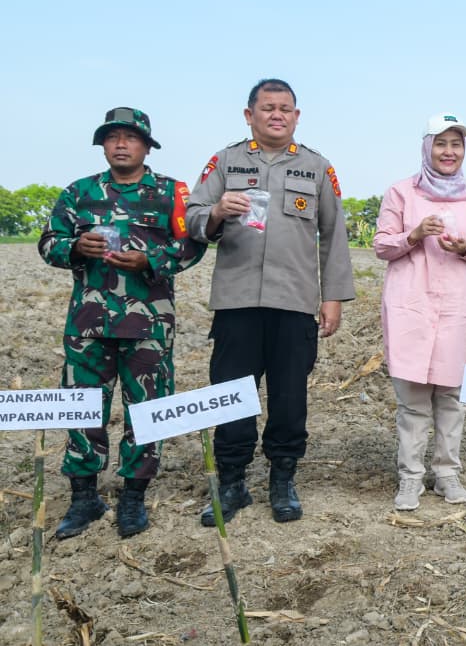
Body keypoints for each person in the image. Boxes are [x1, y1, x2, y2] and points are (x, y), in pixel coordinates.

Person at [186, 78, 354, 525]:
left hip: (294, 302)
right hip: (237, 301)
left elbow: (334, 235)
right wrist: (217, 211)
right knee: (232, 394)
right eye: (267, 108)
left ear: (296, 116)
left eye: (285, 109)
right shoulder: (225, 161)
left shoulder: (317, 167)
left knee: (289, 395)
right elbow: (193, 217)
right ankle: (232, 482)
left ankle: (283, 479)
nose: (276, 115)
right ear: (249, 115)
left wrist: (333, 297)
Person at [38, 108, 205, 538]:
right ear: (103, 146)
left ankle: (134, 496)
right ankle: (84, 497)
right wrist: (77, 247)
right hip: (88, 323)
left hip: (149, 324)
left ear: (147, 146)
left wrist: (150, 260)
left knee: (147, 409)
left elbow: (192, 245)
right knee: (82, 406)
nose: (121, 144)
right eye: (112, 137)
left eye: (130, 137)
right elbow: (49, 243)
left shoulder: (171, 193)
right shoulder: (79, 192)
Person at [375, 112, 466, 509]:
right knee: (412, 401)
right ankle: (410, 477)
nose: (449, 152)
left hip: (459, 308)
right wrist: (414, 235)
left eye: (456, 144)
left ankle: (447, 474)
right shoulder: (401, 192)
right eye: (441, 143)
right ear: (427, 147)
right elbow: (382, 245)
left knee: (451, 397)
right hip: (412, 306)